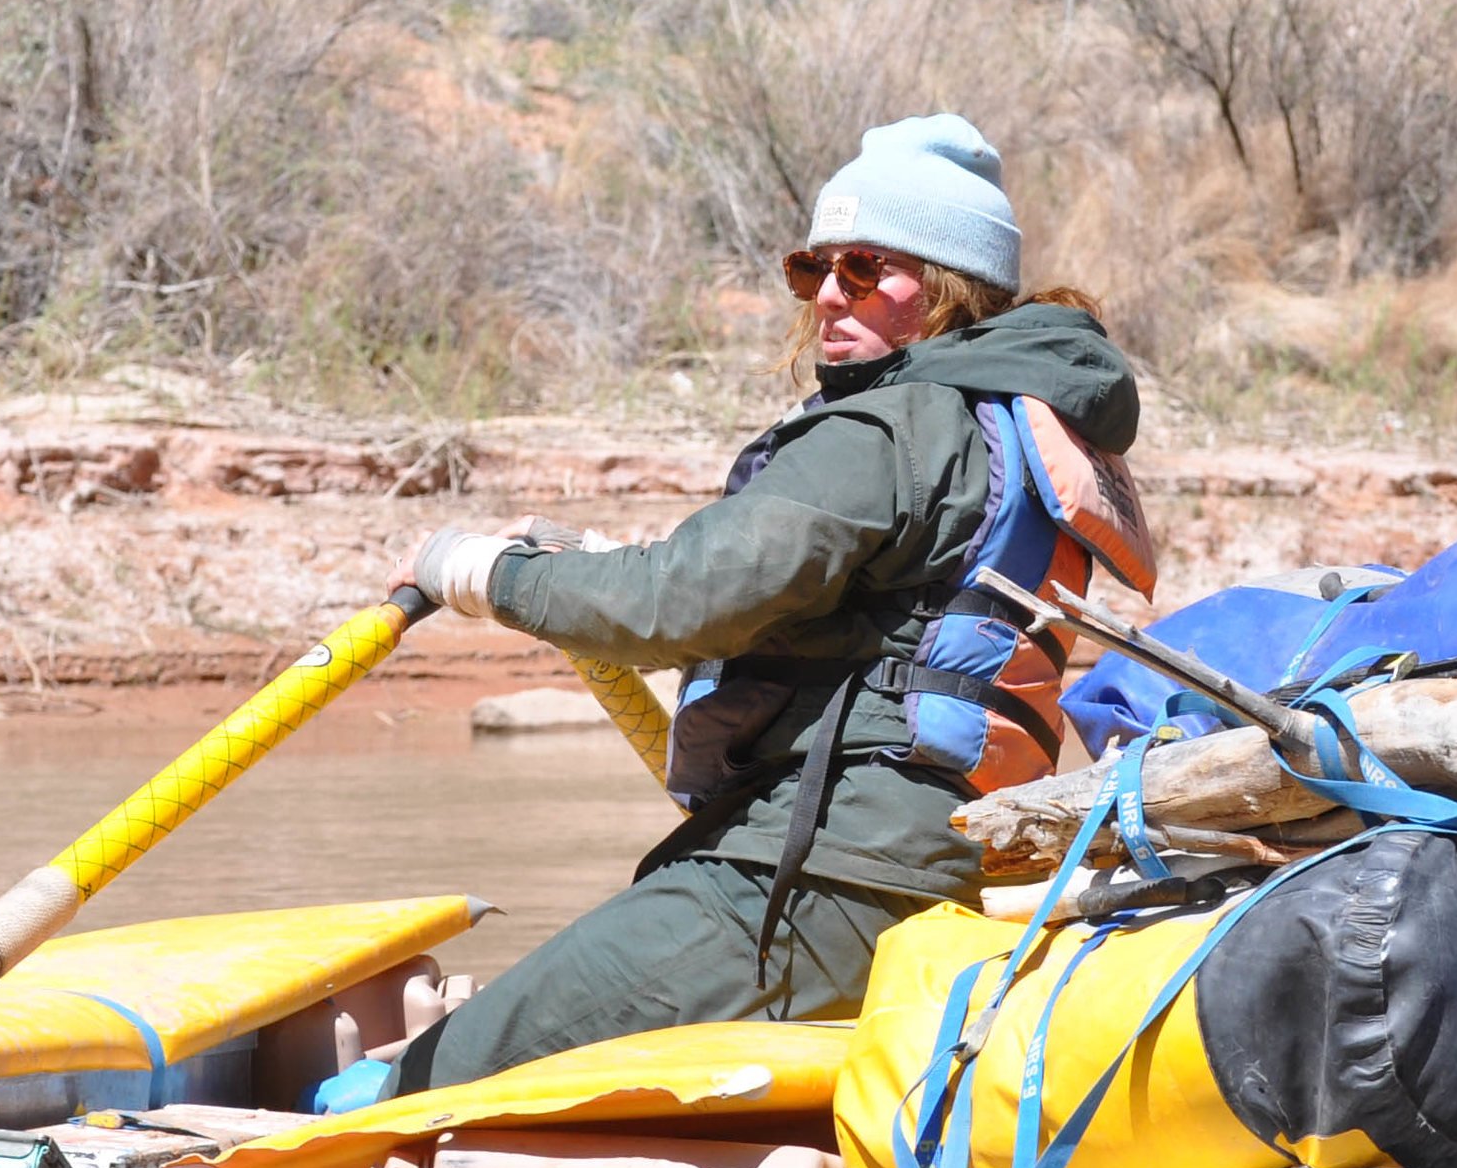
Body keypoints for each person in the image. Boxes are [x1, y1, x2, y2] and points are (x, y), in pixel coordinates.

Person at [384, 112, 1152, 1094]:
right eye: (814, 266)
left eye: (868, 267)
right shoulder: (1007, 415)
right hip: (918, 867)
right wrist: (596, 562)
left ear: (951, 289)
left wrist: (481, 573)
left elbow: (676, 604)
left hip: (818, 879)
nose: (830, 292)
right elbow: (823, 598)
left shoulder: (890, 423)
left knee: (442, 1070)